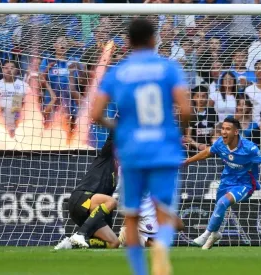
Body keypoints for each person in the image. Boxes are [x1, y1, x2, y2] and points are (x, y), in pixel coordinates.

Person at [90, 18, 191, 275]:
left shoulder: (118, 72)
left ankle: (139, 271)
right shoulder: (168, 69)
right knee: (165, 211)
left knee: (131, 216)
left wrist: (120, 128)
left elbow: (96, 113)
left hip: (132, 151)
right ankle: (161, 251)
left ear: (129, 42)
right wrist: (176, 132)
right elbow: (187, 109)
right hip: (164, 149)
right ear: (153, 39)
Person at [183, 117, 261, 250]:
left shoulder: (250, 148)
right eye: (223, 129)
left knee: (222, 203)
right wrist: (188, 161)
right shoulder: (220, 143)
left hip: (245, 184)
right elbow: (206, 153)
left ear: (236, 132)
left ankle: (206, 234)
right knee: (219, 207)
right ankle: (215, 234)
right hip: (226, 181)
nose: (224, 132)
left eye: (228, 129)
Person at [54, 131, 120, 250]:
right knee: (112, 201)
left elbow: (105, 212)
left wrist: (107, 227)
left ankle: (71, 244)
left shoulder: (115, 177)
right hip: (81, 198)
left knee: (113, 243)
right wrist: (121, 117)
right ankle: (80, 234)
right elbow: (112, 137)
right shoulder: (106, 157)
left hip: (88, 213)